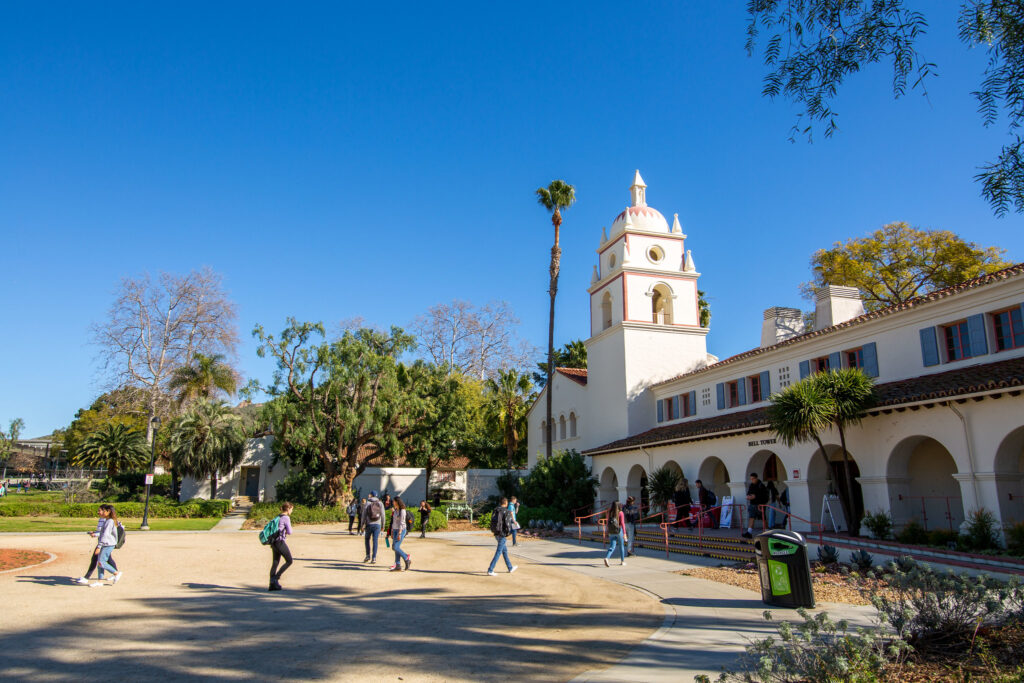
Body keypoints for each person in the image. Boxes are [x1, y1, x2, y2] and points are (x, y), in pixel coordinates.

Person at [91, 504, 122, 585]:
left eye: (103, 511)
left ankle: (116, 573)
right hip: (106, 544)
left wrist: (99, 546)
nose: (99, 512)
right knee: (100, 562)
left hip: (108, 544)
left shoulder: (110, 521)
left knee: (101, 562)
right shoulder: (107, 521)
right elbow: (103, 533)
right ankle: (100, 581)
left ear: (108, 511)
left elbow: (105, 535)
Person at [486, 498, 518, 576]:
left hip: (496, 532)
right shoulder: (506, 511)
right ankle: (490, 569)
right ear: (506, 503)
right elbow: (507, 524)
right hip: (502, 534)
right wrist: (508, 532)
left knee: (504, 551)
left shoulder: (496, 510)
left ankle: (510, 567)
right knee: (499, 552)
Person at [269, 502, 294, 591]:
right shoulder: (286, 518)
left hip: (273, 542)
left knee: (275, 562)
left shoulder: (278, 517)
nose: (292, 511)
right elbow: (290, 531)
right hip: (280, 542)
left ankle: (272, 584)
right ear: (288, 509)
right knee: (289, 561)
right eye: (291, 509)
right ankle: (275, 578)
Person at [742, 473, 769, 539]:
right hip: (752, 504)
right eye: (751, 479)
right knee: (751, 517)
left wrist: (756, 497)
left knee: (763, 518)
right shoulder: (751, 485)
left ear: (756, 478)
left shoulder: (761, 485)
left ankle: (767, 532)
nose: (752, 480)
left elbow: (765, 496)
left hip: (760, 504)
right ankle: (749, 532)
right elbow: (749, 493)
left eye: (753, 479)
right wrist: (749, 496)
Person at [388, 497, 411, 571]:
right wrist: (392, 531)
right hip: (395, 530)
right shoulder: (395, 510)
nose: (393, 502)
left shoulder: (402, 511)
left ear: (397, 502)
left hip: (401, 530)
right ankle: (398, 565)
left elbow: (402, 522)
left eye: (394, 501)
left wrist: (400, 533)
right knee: (394, 547)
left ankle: (406, 558)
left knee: (396, 547)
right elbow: (394, 522)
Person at [362, 491, 386, 564]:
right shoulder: (380, 503)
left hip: (369, 524)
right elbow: (383, 515)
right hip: (377, 524)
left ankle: (367, 555)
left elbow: (364, 515)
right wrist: (383, 525)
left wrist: (362, 525)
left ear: (371, 495)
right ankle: (374, 557)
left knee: (367, 539)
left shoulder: (367, 503)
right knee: (375, 540)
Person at [603, 501, 628, 567]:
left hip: (611, 531)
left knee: (612, 546)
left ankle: (607, 558)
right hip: (619, 531)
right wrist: (624, 533)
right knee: (621, 546)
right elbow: (622, 523)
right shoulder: (620, 513)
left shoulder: (610, 512)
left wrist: (607, 531)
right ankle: (622, 561)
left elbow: (607, 522)